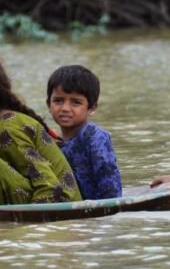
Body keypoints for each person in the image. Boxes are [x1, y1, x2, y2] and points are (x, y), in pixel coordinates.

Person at [0, 50, 82, 205]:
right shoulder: (3, 125)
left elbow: (50, 189)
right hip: (42, 197)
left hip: (61, 205)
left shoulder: (8, 128)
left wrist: (25, 229)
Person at [46, 65, 122, 200]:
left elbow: (110, 187)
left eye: (75, 102)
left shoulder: (96, 138)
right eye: (58, 101)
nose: (65, 108)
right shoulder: (50, 141)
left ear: (91, 108)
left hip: (96, 209)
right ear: (48, 104)